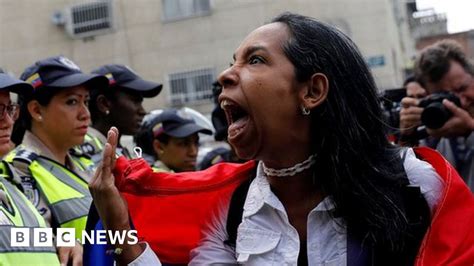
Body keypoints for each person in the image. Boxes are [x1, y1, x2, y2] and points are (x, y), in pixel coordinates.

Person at [90, 13, 473, 265]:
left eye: (254, 60)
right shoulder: (233, 211)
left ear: (312, 91)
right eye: (231, 61)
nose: (226, 75)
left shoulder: (418, 189)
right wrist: (119, 224)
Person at [4, 56, 109, 264]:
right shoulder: (18, 167)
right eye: (71, 102)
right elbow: (19, 235)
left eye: (85, 101)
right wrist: (64, 240)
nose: (85, 114)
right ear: (36, 110)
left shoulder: (82, 161)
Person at [0, 70, 61, 265]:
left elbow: (20, 237)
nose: (8, 121)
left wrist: (64, 240)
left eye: (10, 109)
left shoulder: (9, 180)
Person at [399, 40, 474, 191]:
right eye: (445, 97)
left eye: (463, 88)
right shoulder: (434, 132)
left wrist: (470, 131)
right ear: (428, 97)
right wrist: (408, 137)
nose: (460, 102)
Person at [76, 64, 162, 165]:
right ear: (104, 104)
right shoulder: (86, 154)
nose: (142, 111)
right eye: (135, 101)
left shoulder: (119, 151)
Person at [136, 109, 212, 172]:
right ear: (159, 147)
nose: (193, 152)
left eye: (196, 143)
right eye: (183, 144)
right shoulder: (153, 184)